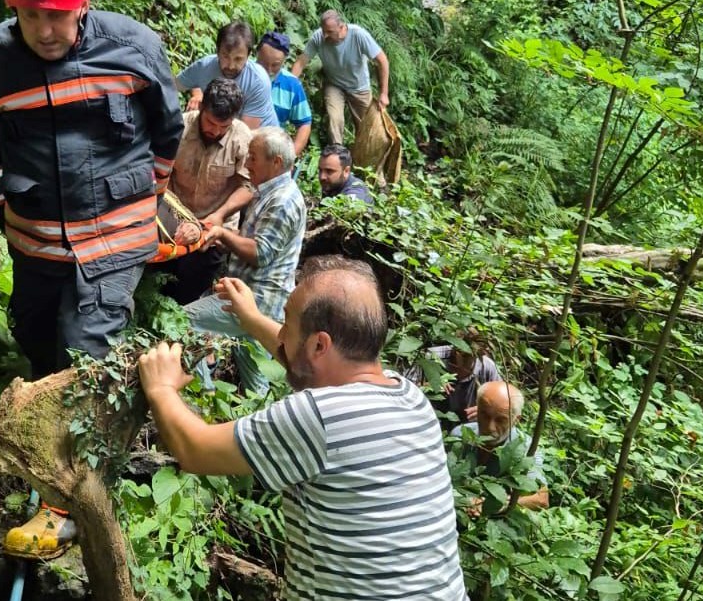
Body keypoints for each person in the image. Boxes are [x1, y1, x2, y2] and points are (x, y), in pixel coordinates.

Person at [0, 0, 183, 559]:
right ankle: (49, 429)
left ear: (82, 3)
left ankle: (65, 504)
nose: (44, 29)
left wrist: (143, 204)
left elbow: (168, 134)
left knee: (85, 349)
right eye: (30, 16)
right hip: (36, 239)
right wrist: (5, 212)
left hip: (115, 237)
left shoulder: (134, 48)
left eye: (56, 15)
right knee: (34, 334)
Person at [138, 256, 468, 600]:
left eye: (286, 324)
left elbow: (195, 450)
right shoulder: (409, 396)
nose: (280, 333)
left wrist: (161, 388)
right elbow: (306, 363)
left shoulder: (319, 417)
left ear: (319, 344)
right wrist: (251, 319)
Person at [184, 127, 306, 391]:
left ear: (275, 162)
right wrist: (223, 237)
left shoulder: (282, 200)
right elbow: (255, 239)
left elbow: (261, 253)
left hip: (258, 299)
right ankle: (258, 420)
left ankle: (203, 400)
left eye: (253, 157)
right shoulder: (268, 192)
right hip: (253, 296)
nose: (247, 163)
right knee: (252, 369)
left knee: (184, 321)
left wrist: (224, 235)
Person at [162, 78, 254, 304]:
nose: (216, 131)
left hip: (215, 227)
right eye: (211, 123)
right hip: (172, 221)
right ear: (201, 107)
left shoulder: (242, 138)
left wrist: (219, 216)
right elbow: (162, 174)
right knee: (161, 284)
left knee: (189, 293)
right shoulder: (178, 128)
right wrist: (178, 217)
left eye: (224, 126)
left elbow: (249, 185)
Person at [291, 10, 391, 145]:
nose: (325, 35)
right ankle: (336, 153)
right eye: (324, 30)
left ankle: (364, 159)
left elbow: (382, 60)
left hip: (359, 86)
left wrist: (384, 94)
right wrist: (290, 85)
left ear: (342, 27)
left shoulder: (358, 35)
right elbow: (301, 62)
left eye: (330, 31)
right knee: (335, 118)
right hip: (335, 85)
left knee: (366, 127)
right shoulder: (318, 37)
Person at [451, 381, 549, 515]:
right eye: (485, 415)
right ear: (477, 410)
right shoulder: (460, 436)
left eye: (500, 420)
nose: (490, 427)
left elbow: (541, 499)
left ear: (516, 420)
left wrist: (493, 505)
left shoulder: (525, 449)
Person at [176, 21, 280, 129]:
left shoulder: (258, 81)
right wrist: (197, 94)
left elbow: (246, 133)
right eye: (225, 56)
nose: (231, 66)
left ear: (248, 55)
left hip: (260, 136)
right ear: (217, 51)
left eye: (238, 59)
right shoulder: (204, 66)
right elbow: (171, 86)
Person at [410, 328, 502, 432]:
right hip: (432, 422)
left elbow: (502, 400)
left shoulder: (486, 366)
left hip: (469, 426)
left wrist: (485, 410)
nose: (458, 372)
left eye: (465, 367)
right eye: (455, 365)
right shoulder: (431, 357)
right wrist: (430, 384)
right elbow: (407, 390)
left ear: (476, 359)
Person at [255, 31, 312, 157]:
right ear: (256, 54)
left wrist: (291, 156)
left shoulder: (292, 84)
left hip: (270, 153)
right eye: (263, 63)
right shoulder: (244, 72)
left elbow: (304, 123)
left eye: (275, 65)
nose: (269, 70)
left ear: (284, 61)